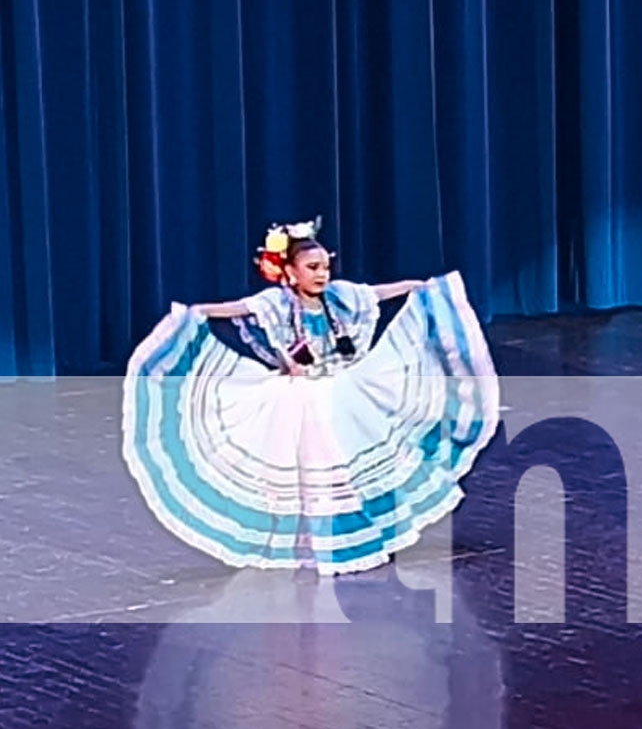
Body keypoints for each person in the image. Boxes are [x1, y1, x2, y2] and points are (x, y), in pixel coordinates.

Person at [122, 216, 500, 575]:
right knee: (314, 471)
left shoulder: (340, 298)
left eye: (324, 267)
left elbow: (375, 294)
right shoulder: (277, 304)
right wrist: (194, 313)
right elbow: (236, 309)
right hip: (302, 399)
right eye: (312, 268)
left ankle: (364, 532)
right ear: (290, 272)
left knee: (358, 462)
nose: (322, 274)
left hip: (343, 391)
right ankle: (321, 540)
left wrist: (416, 287)